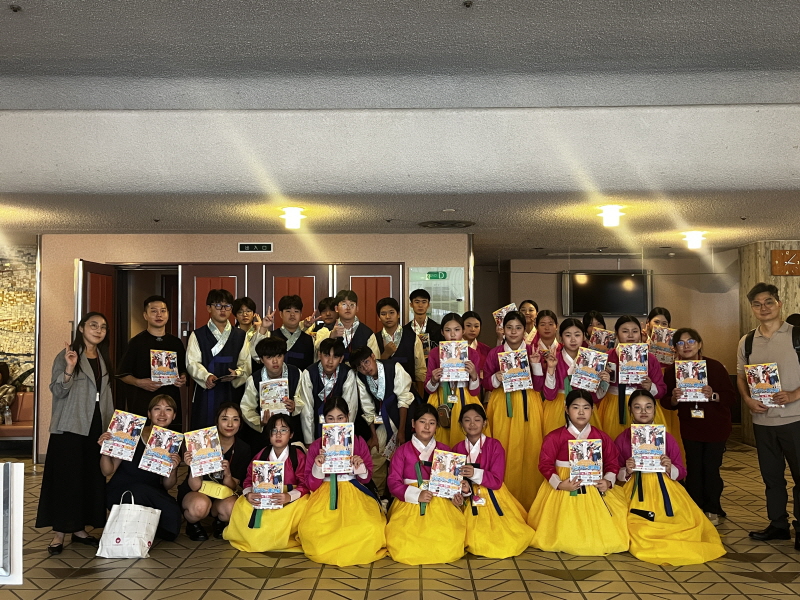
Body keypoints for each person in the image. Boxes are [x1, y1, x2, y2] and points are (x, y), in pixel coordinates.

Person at [614, 390, 725, 565]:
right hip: (635, 490)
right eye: (637, 407)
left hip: (665, 488)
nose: (643, 411)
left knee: (681, 522)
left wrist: (668, 467)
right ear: (630, 410)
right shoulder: (622, 439)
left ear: (655, 409)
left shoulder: (667, 437)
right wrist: (626, 470)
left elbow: (682, 471)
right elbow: (615, 471)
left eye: (648, 407)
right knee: (634, 526)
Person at [36, 312, 115, 555]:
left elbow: (106, 395)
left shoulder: (103, 357)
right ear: (81, 328)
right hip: (70, 426)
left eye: (103, 327)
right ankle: (59, 533)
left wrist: (111, 426)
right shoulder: (68, 355)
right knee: (66, 480)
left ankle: (79, 529)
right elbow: (57, 391)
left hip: (96, 425)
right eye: (93, 325)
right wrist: (70, 368)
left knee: (89, 477)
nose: (98, 330)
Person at [736, 283, 800, 546]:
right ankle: (778, 524)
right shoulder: (747, 340)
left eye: (769, 302)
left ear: (779, 303)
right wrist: (747, 399)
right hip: (762, 421)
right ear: (752, 308)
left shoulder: (797, 335)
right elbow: (741, 376)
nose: (763, 308)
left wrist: (794, 395)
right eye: (757, 304)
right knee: (772, 477)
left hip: (795, 420)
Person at [528, 390, 629, 556]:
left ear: (592, 410)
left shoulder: (601, 437)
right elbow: (545, 464)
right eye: (576, 407)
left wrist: (608, 481)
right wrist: (559, 484)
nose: (581, 412)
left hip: (593, 484)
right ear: (566, 409)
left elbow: (612, 462)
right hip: (564, 482)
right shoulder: (554, 437)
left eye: (586, 408)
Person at [297, 396, 387, 566]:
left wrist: (359, 465)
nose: (336, 423)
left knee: (371, 527)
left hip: (354, 491)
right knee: (312, 529)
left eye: (340, 418)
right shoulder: (316, 445)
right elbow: (311, 484)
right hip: (325, 493)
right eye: (330, 418)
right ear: (324, 420)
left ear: (348, 417)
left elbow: (366, 478)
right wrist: (318, 466)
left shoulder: (358, 442)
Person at [662, 327, 735, 525]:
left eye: (691, 341)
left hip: (716, 426)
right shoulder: (672, 371)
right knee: (693, 468)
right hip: (690, 426)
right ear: (675, 348)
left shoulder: (714, 367)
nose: (686, 346)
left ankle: (712, 508)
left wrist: (713, 395)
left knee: (711, 467)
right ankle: (695, 507)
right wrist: (675, 398)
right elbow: (666, 401)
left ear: (700, 344)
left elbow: (730, 397)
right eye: (680, 343)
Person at [385, 404, 466, 565]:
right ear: (413, 423)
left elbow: (451, 481)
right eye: (422, 422)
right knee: (403, 537)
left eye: (432, 423)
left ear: (437, 427)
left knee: (449, 534)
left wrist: (456, 495)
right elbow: (393, 482)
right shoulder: (402, 451)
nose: (427, 427)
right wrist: (416, 495)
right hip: (410, 501)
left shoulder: (445, 450)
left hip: (440, 501)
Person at [452, 404, 534, 558]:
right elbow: (453, 480)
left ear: (484, 422)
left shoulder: (495, 446)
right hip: (467, 498)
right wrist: (463, 488)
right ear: (461, 423)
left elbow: (497, 480)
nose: (472, 424)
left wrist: (475, 473)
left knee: (505, 538)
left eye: (477, 420)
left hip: (493, 494)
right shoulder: (457, 449)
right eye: (467, 420)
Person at [481, 310, 544, 507]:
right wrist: (496, 377)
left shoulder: (533, 350)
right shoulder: (495, 353)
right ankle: (505, 499)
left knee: (531, 448)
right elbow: (486, 383)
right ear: (503, 329)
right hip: (502, 403)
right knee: (504, 448)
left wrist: (535, 365)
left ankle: (530, 500)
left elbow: (540, 385)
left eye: (518, 327)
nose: (514, 332)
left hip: (528, 403)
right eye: (509, 327)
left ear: (524, 329)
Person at [99, 394, 183, 541]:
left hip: (151, 492)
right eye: (157, 409)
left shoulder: (172, 442)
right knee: (137, 491)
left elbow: (167, 485)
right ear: (149, 414)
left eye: (168, 409)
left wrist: (174, 467)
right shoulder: (131, 433)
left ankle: (140, 527)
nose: (162, 414)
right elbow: (107, 471)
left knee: (173, 518)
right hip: (123, 489)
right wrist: (106, 450)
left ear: (174, 415)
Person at [224, 413, 310, 552]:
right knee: (242, 506)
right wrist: (249, 494)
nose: (278, 434)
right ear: (268, 435)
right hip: (264, 497)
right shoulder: (262, 455)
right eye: (273, 430)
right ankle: (261, 538)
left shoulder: (297, 455)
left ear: (291, 435)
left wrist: (289, 496)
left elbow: (305, 483)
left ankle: (280, 537)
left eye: (283, 430)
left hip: (289, 500)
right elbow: (248, 479)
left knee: (304, 505)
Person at [179, 403, 250, 541]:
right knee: (199, 506)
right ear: (217, 421)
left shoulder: (243, 448)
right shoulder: (201, 442)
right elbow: (195, 486)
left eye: (235, 419)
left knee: (232, 508)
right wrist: (194, 466)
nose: (230, 424)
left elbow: (233, 486)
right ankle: (192, 523)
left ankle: (219, 521)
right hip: (197, 492)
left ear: (240, 423)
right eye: (224, 419)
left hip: (222, 494)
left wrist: (227, 474)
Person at [351, 345, 416, 496]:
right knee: (375, 452)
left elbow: (404, 399)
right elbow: (367, 407)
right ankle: (379, 495)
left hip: (405, 416)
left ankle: (402, 494)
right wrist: (373, 436)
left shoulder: (393, 367)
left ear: (373, 356)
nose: (365, 369)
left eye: (366, 362)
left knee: (405, 455)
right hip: (384, 419)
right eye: (360, 367)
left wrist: (401, 431)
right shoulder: (361, 377)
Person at [595, 315, 668, 441]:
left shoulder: (650, 358)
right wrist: (603, 381)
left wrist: (650, 387)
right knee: (614, 443)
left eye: (634, 331)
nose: (630, 335)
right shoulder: (606, 357)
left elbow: (662, 390)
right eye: (625, 331)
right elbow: (594, 389)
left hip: (643, 407)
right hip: (612, 406)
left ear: (640, 333)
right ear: (617, 334)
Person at [117, 295, 187, 425]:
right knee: (143, 435)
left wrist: (183, 378)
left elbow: (183, 370)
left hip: (170, 401)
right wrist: (139, 382)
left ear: (168, 314)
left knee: (170, 436)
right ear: (145, 315)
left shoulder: (176, 343)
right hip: (143, 400)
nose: (159, 315)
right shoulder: (136, 342)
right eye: (154, 311)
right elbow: (122, 374)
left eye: (163, 311)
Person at [187, 289, 251, 428]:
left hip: (231, 390)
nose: (223, 310)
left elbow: (245, 363)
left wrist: (237, 373)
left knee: (231, 426)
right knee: (205, 428)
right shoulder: (198, 334)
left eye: (227, 306)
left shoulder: (240, 335)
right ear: (208, 308)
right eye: (218, 305)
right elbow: (192, 363)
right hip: (207, 390)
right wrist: (206, 376)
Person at [536, 318, 608, 435]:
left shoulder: (592, 360)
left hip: (583, 408)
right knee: (558, 442)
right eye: (568, 335)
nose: (573, 339)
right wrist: (551, 368)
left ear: (583, 337)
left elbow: (595, 398)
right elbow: (549, 395)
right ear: (561, 338)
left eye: (577, 335)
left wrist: (604, 382)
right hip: (558, 409)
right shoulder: (553, 358)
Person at [424, 313, 483, 447]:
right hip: (440, 398)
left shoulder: (472, 353)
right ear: (442, 332)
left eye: (457, 329)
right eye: (447, 330)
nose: (452, 334)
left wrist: (474, 375)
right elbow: (428, 389)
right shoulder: (434, 353)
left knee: (464, 436)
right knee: (440, 436)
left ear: (463, 331)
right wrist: (434, 379)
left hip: (464, 398)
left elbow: (474, 391)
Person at [240, 337, 303, 451]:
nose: (275, 361)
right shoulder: (254, 379)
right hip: (266, 434)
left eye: (279, 356)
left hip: (292, 430)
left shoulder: (296, 373)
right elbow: (246, 408)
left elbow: (303, 398)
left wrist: (295, 406)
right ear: (261, 359)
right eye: (269, 357)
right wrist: (259, 421)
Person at [298, 337, 359, 445]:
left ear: (341, 359)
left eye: (335, 357)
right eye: (326, 355)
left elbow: (350, 408)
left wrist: (344, 438)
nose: (330, 361)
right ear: (319, 355)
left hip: (339, 424)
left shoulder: (347, 373)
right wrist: (309, 441)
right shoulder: (309, 373)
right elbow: (306, 410)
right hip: (315, 422)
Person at [367, 297, 426, 388]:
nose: (388, 317)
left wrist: (420, 393)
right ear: (379, 317)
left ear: (398, 314)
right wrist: (386, 354)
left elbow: (420, 370)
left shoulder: (413, 338)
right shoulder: (374, 338)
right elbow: (371, 369)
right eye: (383, 314)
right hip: (383, 389)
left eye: (391, 312)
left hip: (408, 390)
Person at [314, 290, 374, 363]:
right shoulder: (326, 330)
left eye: (352, 305)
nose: (348, 308)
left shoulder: (367, 333)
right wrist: (331, 335)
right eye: (344, 304)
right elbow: (316, 347)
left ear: (357, 308)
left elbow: (374, 361)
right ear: (336, 308)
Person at [268, 295, 315, 371]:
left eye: (296, 311)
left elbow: (310, 367)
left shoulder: (308, 339)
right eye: (288, 311)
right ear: (281, 314)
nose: (292, 314)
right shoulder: (271, 336)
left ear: (301, 314)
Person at [405, 288, 442, 356]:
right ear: (411, 304)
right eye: (417, 302)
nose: (420, 305)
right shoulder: (405, 330)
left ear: (428, 305)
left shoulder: (438, 329)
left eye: (424, 302)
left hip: (431, 362)